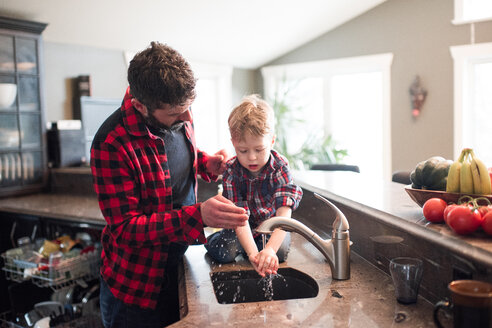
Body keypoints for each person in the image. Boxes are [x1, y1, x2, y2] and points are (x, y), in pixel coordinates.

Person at [90, 41, 248, 328]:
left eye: (188, 109)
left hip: (177, 266)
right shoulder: (110, 143)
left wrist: (204, 162)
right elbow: (126, 229)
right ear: (140, 106)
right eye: (176, 114)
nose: (187, 118)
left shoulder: (174, 105)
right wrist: (198, 215)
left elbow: (174, 156)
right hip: (136, 288)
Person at [205, 95, 303, 277]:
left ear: (272, 141)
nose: (251, 157)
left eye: (259, 150)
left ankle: (255, 247)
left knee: (279, 254)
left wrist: (270, 251)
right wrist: (253, 255)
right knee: (225, 253)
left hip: (270, 227)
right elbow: (239, 219)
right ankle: (219, 241)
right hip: (238, 228)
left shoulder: (280, 167)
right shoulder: (231, 171)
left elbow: (284, 215)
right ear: (234, 143)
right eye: (243, 150)